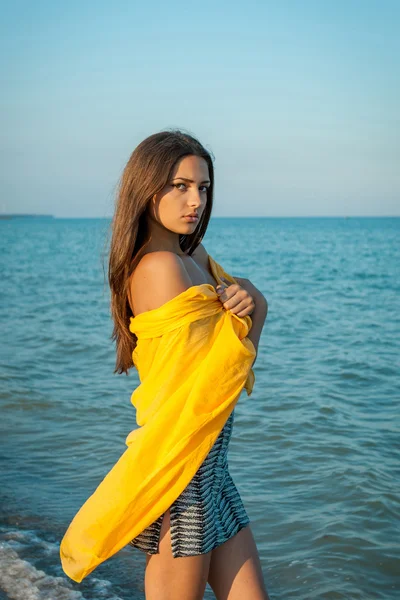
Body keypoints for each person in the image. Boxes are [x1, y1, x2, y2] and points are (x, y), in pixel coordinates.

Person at [107, 129, 269, 600]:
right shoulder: (160, 267)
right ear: (146, 188)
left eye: (202, 187)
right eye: (179, 186)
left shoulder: (191, 254)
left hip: (212, 468)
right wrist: (256, 309)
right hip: (185, 472)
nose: (194, 200)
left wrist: (250, 298)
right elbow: (210, 389)